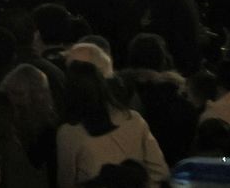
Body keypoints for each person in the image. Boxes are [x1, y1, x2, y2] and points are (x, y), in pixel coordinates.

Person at [54, 60, 169, 188]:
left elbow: (66, 183)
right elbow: (160, 171)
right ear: (104, 85)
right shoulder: (133, 119)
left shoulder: (69, 133)